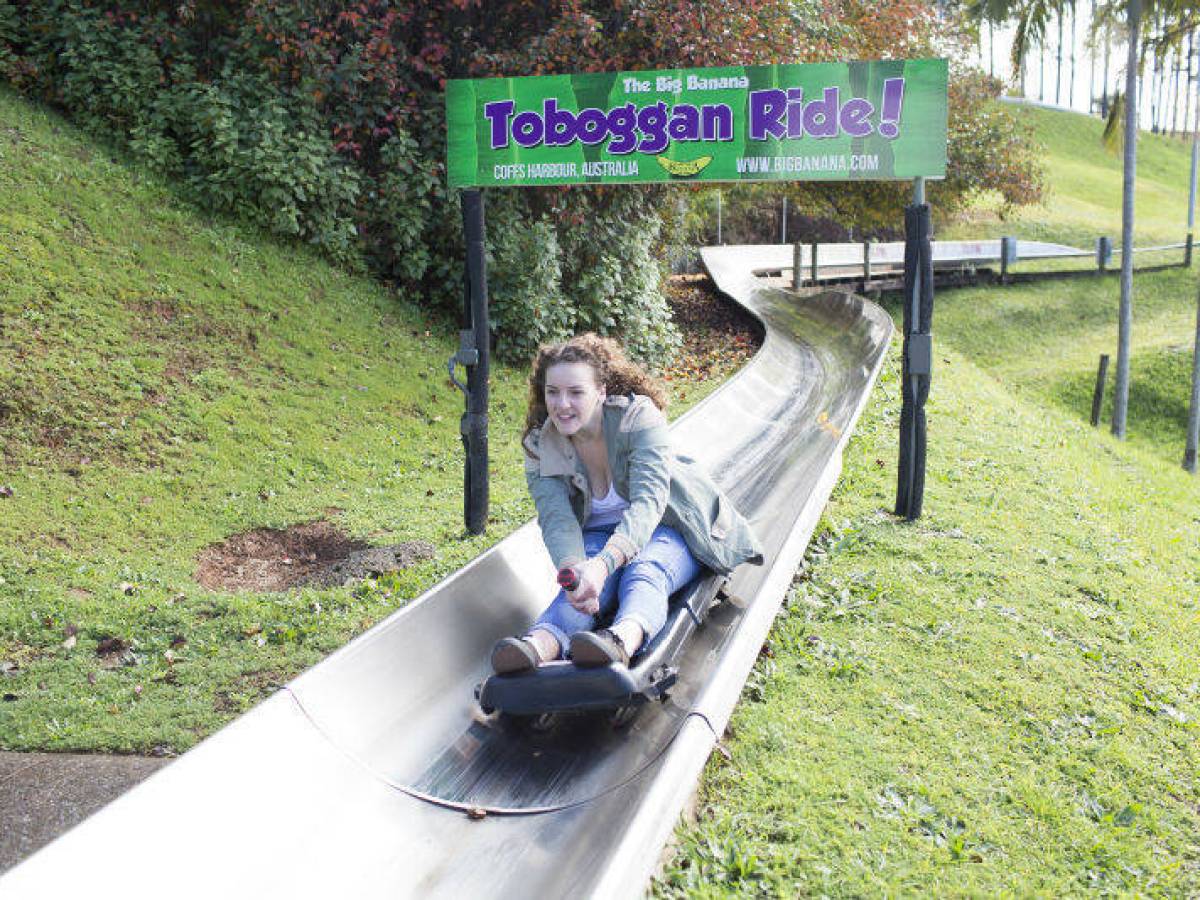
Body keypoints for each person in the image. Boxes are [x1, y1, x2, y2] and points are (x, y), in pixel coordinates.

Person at [491, 333, 763, 674]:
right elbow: (557, 518)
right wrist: (577, 572)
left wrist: (603, 565)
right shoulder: (541, 445)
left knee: (645, 570)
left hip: (669, 524)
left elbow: (649, 503)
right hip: (599, 533)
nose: (562, 405)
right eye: (553, 392)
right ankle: (538, 644)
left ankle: (620, 640)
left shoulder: (638, 419)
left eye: (575, 392)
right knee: (577, 590)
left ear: (600, 392)